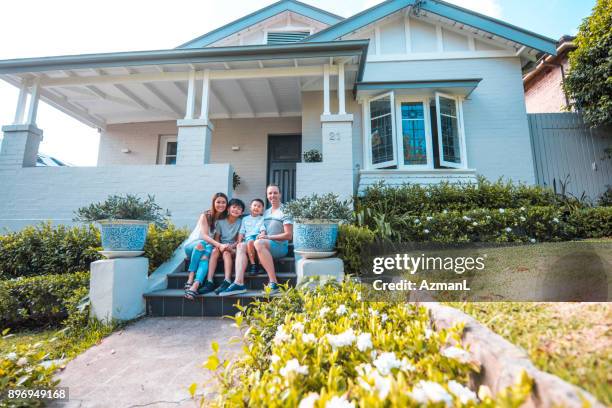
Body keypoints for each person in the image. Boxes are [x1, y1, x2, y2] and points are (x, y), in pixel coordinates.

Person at [221, 184, 293, 296]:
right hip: (262, 245)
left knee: (258, 243)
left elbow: (289, 236)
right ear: (267, 195)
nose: (272, 195)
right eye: (270, 193)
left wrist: (268, 237)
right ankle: (238, 282)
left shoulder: (285, 211)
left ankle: (274, 282)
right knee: (241, 246)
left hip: (279, 246)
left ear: (280, 194)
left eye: (275, 193)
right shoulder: (266, 212)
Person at [183, 193, 228, 300]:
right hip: (193, 245)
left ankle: (195, 285)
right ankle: (190, 277)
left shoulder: (222, 220)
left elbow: (216, 238)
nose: (221, 205)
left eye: (223, 202)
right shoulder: (206, 215)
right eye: (218, 202)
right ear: (213, 203)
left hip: (207, 247)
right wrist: (219, 245)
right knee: (202, 244)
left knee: (204, 258)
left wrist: (217, 246)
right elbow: (203, 236)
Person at [201, 198, 245, 295]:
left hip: (233, 248)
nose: (236, 210)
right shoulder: (221, 222)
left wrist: (230, 246)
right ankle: (209, 281)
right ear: (228, 209)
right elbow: (217, 238)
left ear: (242, 212)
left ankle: (227, 280)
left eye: (239, 209)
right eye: (234, 207)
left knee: (226, 253)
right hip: (221, 246)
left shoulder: (241, 222)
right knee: (214, 251)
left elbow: (239, 240)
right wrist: (220, 246)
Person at [239, 198, 266, 277]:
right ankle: (253, 264)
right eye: (254, 205)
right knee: (250, 242)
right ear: (250, 207)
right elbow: (242, 231)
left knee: (260, 243)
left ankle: (261, 265)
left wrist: (262, 234)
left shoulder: (262, 218)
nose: (256, 207)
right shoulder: (245, 219)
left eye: (259, 206)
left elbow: (263, 228)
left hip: (258, 236)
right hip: (249, 237)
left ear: (262, 209)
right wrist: (239, 242)